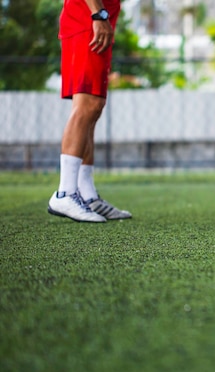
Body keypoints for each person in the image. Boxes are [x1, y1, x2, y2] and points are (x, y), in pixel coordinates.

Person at [48, 0, 131, 222]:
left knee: (93, 107)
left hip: (95, 21)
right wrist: (98, 14)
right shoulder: (95, 16)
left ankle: (87, 194)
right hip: (88, 21)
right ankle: (65, 192)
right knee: (87, 104)